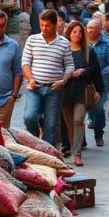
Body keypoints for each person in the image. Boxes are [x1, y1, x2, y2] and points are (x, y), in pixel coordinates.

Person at [22, 9, 74, 146]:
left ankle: (49, 154)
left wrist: (63, 81)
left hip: (54, 89)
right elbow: (25, 62)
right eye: (42, 25)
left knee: (51, 125)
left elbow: (69, 66)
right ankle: (35, 143)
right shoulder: (32, 40)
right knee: (29, 117)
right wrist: (30, 79)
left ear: (55, 25)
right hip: (35, 87)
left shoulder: (64, 43)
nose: (44, 28)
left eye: (47, 25)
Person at [62, 21, 103, 166]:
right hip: (65, 91)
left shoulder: (88, 50)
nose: (77, 35)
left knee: (78, 120)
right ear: (69, 33)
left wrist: (84, 72)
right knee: (69, 123)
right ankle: (74, 149)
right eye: (74, 32)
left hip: (81, 90)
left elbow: (96, 70)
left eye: (80, 32)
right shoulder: (62, 49)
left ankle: (77, 154)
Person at [87, 17, 109, 146]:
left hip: (100, 82)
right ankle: (81, 140)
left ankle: (99, 135)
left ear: (100, 29)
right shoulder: (83, 42)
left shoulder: (107, 43)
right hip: (85, 82)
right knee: (82, 110)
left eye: (93, 28)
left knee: (98, 109)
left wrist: (101, 72)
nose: (90, 30)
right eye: (88, 28)